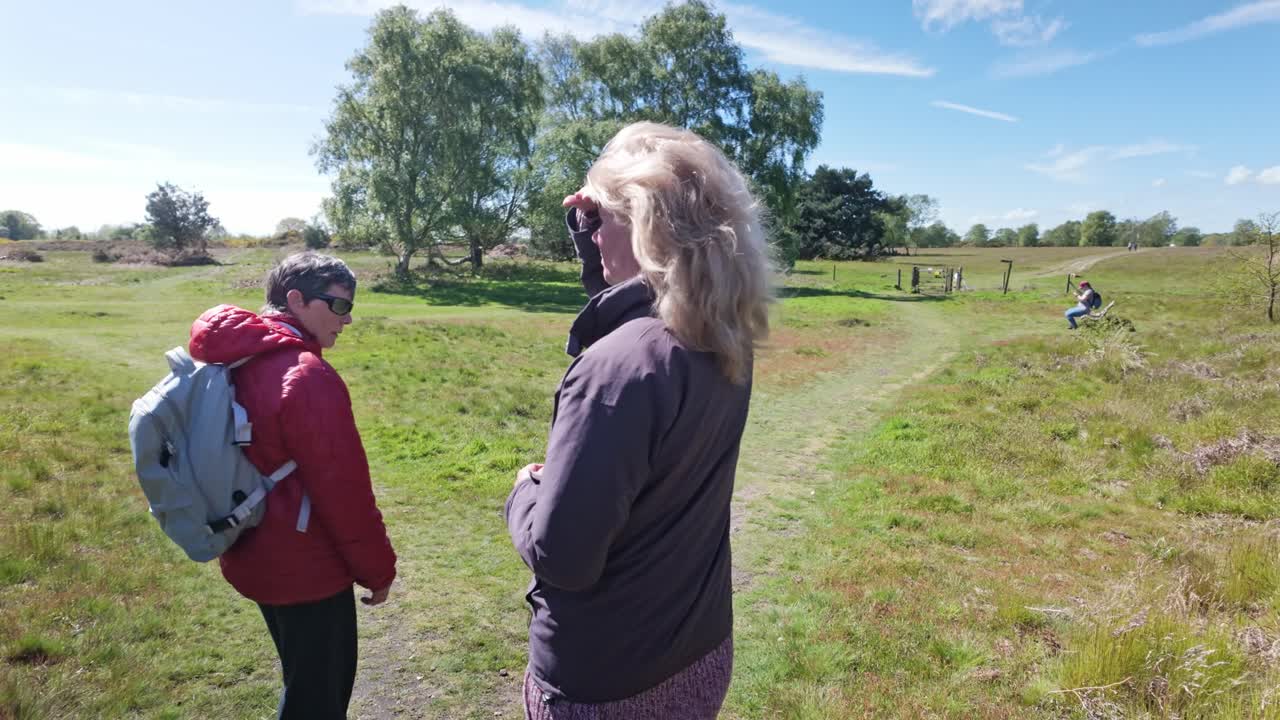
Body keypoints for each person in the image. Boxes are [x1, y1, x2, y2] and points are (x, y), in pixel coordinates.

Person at [505, 121, 772, 719]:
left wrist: (524, 494)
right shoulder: (723, 337)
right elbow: (632, 312)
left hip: (607, 680)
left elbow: (563, 558)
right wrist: (592, 235)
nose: (593, 233)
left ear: (645, 224)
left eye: (601, 219)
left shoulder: (616, 370)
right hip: (696, 646)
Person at [188, 252, 396, 719]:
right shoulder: (306, 375)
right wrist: (378, 570)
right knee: (317, 702)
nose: (347, 319)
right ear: (296, 299)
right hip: (307, 570)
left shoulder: (236, 360)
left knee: (301, 683)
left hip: (248, 549)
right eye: (339, 305)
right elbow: (344, 495)